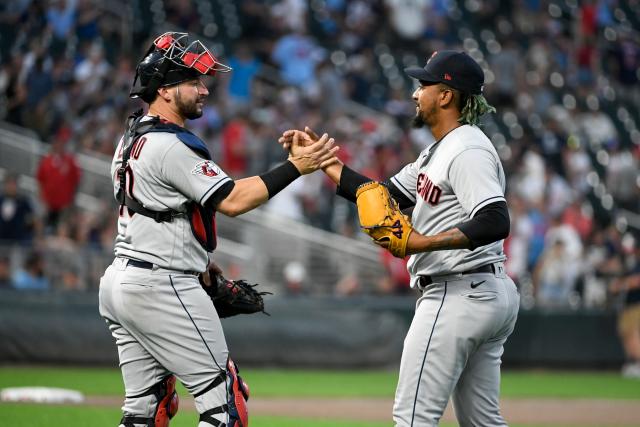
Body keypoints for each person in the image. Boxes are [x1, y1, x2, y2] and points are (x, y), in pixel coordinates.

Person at [98, 32, 338, 427]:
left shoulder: (129, 140)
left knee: (145, 410)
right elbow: (234, 200)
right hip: (162, 284)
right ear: (165, 89)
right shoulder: (169, 145)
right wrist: (297, 167)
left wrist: (200, 266)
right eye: (193, 80)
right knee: (225, 403)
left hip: (121, 281)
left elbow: (160, 214)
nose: (204, 89)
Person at [281, 50, 520, 426]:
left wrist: (424, 243)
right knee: (483, 422)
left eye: (424, 84)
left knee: (412, 419)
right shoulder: (438, 151)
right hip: (481, 289)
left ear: (446, 95)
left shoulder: (467, 150)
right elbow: (381, 195)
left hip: (456, 292)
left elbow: (495, 219)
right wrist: (323, 162)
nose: (415, 92)